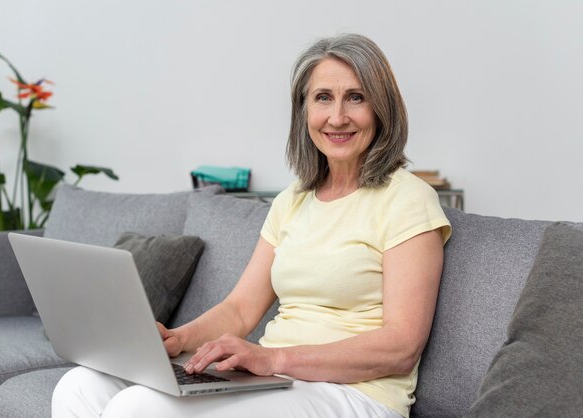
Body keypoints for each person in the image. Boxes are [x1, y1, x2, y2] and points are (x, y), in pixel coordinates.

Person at [52, 33, 452, 418]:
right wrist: (179, 339)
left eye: (356, 98)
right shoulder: (292, 200)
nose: (337, 117)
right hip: (279, 381)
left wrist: (273, 357)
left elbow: (401, 345)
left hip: (354, 395)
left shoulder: (408, 199)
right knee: (80, 386)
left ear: (382, 108)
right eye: (323, 98)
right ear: (304, 111)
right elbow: (241, 310)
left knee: (138, 408)